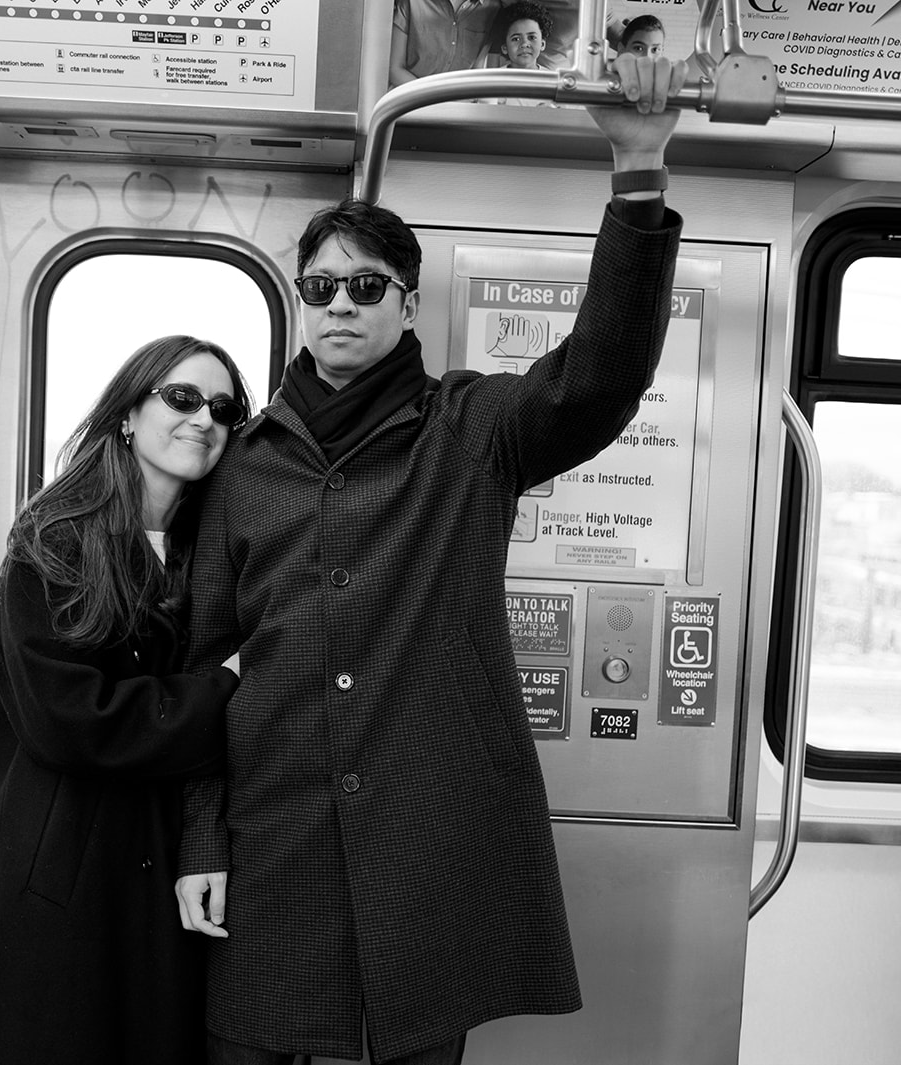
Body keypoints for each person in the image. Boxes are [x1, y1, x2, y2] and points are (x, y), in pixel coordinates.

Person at [175, 53, 688, 1065]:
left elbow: (598, 379)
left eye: (366, 286)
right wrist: (203, 840)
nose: (340, 305)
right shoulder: (245, 465)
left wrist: (639, 174)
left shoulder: (471, 428)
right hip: (274, 830)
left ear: (406, 303)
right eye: (319, 286)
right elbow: (204, 663)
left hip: (426, 834)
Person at [0, 335, 251, 1064]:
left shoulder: (218, 548)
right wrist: (228, 681)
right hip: (64, 876)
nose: (203, 419)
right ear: (129, 413)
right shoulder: (55, 540)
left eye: (223, 408)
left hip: (168, 870)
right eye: (182, 398)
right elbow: (73, 722)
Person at [390, 0, 504, 85]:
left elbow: (476, 72)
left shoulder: (492, 8)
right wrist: (432, 99)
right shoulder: (412, 2)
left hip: (458, 107)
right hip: (407, 102)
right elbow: (394, 69)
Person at [486, 1, 557, 106]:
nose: (524, 44)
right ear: (505, 48)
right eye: (516, 39)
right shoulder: (493, 81)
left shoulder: (554, 82)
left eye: (532, 37)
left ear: (542, 44)